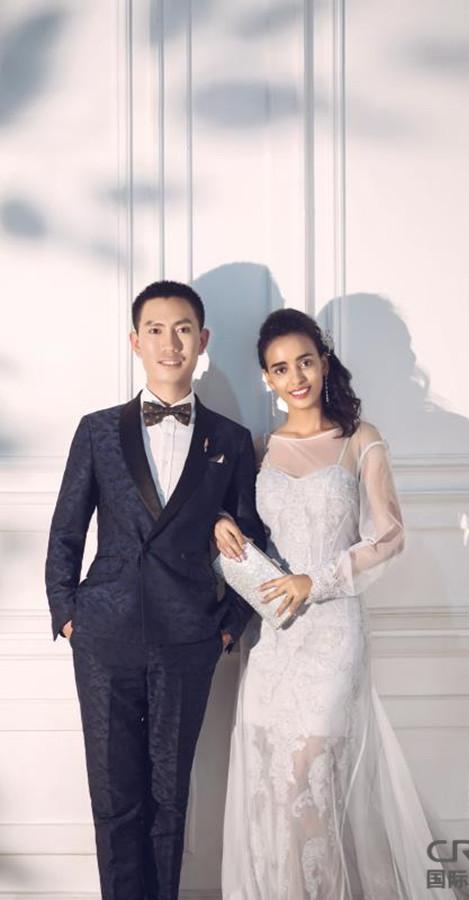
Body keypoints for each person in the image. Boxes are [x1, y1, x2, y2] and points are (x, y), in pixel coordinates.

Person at [216, 308, 455, 900]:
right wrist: (220, 522)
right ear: (266, 379)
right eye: (280, 368)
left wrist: (316, 581)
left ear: (323, 363)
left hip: (333, 632)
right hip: (275, 637)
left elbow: (390, 537)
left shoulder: (360, 439)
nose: (295, 377)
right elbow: (240, 525)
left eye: (304, 362)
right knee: (275, 783)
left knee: (310, 775)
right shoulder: (258, 448)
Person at [45, 280, 265, 900]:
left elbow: (252, 542)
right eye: (157, 330)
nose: (171, 343)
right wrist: (68, 614)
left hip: (188, 639)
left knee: (170, 797)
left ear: (203, 340)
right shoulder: (96, 431)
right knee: (113, 797)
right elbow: (66, 531)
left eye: (184, 329)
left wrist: (228, 627)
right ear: (135, 341)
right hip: (103, 637)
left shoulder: (229, 440)